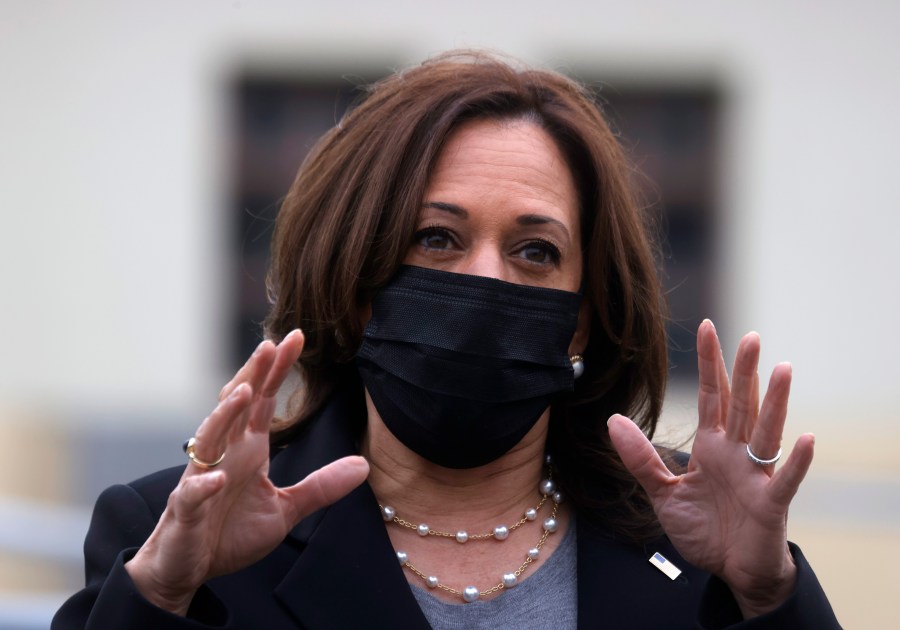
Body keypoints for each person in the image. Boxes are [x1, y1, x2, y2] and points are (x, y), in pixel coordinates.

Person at [53, 50, 839, 629]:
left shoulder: (690, 545)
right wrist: (157, 593)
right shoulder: (175, 531)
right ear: (356, 283)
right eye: (437, 238)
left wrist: (770, 596)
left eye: (536, 251)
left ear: (584, 315)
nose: (488, 282)